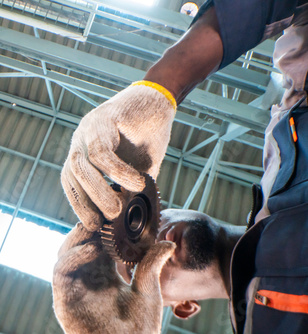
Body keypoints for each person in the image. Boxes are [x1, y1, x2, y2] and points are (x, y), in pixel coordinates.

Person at [53, 0, 308, 333]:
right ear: (183, 308)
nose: (148, 245)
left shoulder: (283, 138)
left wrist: (163, 85)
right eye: (133, 269)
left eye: (137, 227)